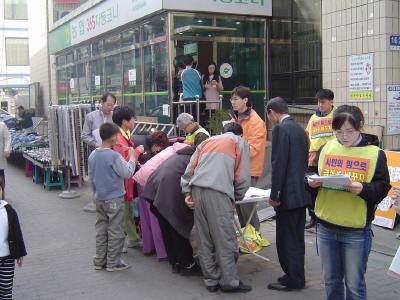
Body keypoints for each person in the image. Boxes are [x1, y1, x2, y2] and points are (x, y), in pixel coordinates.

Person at [306, 105, 391, 300]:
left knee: (354, 286)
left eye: (349, 131)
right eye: (338, 131)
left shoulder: (375, 153)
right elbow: (310, 171)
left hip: (356, 231)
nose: (343, 136)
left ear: (360, 126)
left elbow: (382, 187)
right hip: (326, 226)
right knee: (331, 282)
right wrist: (311, 181)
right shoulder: (327, 147)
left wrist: (363, 189)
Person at [181, 122, 252, 293]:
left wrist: (187, 192)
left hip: (197, 191)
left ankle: (211, 280)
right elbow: (242, 177)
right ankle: (230, 282)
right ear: (239, 134)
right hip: (218, 192)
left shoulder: (206, 142)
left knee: (204, 238)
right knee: (225, 238)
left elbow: (190, 168)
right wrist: (236, 197)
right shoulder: (239, 142)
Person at [266, 96, 311, 292]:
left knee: (287, 240)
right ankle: (296, 276)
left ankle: (293, 279)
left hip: (287, 195)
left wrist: (275, 194)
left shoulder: (280, 129)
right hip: (301, 194)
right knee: (297, 238)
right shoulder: (300, 129)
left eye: (269, 117)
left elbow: (278, 165)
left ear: (272, 112)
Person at [141, 145, 202, 276]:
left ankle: (175, 262)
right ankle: (187, 264)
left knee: (167, 228)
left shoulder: (179, 155)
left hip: (153, 189)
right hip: (166, 191)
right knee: (177, 227)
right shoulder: (195, 159)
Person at [89, 123, 137, 272]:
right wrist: (132, 158)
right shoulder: (114, 155)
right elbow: (127, 172)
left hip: (99, 198)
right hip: (114, 199)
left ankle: (99, 260)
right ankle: (113, 263)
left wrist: (97, 193)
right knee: (116, 230)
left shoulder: (92, 155)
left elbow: (91, 179)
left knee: (101, 230)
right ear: (114, 137)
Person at [229, 86, 266, 233]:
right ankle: (245, 236)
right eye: (231, 99)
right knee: (239, 205)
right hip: (236, 168)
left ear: (245, 100)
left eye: (236, 99)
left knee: (248, 207)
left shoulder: (256, 122)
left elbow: (253, 150)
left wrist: (233, 148)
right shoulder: (234, 118)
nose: (232, 102)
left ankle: (254, 235)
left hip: (249, 170)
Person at [132, 132, 173, 260]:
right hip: (150, 181)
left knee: (145, 216)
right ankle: (162, 251)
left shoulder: (145, 148)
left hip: (139, 178)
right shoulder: (168, 153)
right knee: (156, 216)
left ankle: (148, 247)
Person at [112, 106, 144, 251]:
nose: (134, 120)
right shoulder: (119, 139)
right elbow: (124, 161)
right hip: (123, 183)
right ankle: (128, 240)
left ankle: (131, 238)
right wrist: (137, 152)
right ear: (124, 121)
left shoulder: (124, 134)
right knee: (125, 213)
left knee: (127, 211)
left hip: (126, 181)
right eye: (132, 118)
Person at [304, 89, 336, 229]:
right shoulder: (313, 118)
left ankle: (328, 216)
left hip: (330, 157)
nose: (320, 105)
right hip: (313, 157)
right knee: (311, 188)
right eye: (318, 102)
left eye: (323, 102)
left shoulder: (338, 116)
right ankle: (313, 217)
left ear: (331, 101)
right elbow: (306, 135)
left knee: (328, 187)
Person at [0, 184, 27, 299]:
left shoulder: (8, 210)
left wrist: (20, 252)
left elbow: (16, 232)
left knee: (6, 289)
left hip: (7, 258)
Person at [179, 55, 202, 120]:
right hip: (198, 98)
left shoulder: (181, 72)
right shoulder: (197, 72)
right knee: (197, 118)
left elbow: (179, 81)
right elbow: (201, 83)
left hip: (187, 98)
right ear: (192, 62)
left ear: (184, 63)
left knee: (188, 119)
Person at [0, 122, 11, 199]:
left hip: (0, 155)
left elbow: (8, 138)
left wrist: (6, 150)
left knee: (0, 175)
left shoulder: (2, 125)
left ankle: (1, 195)